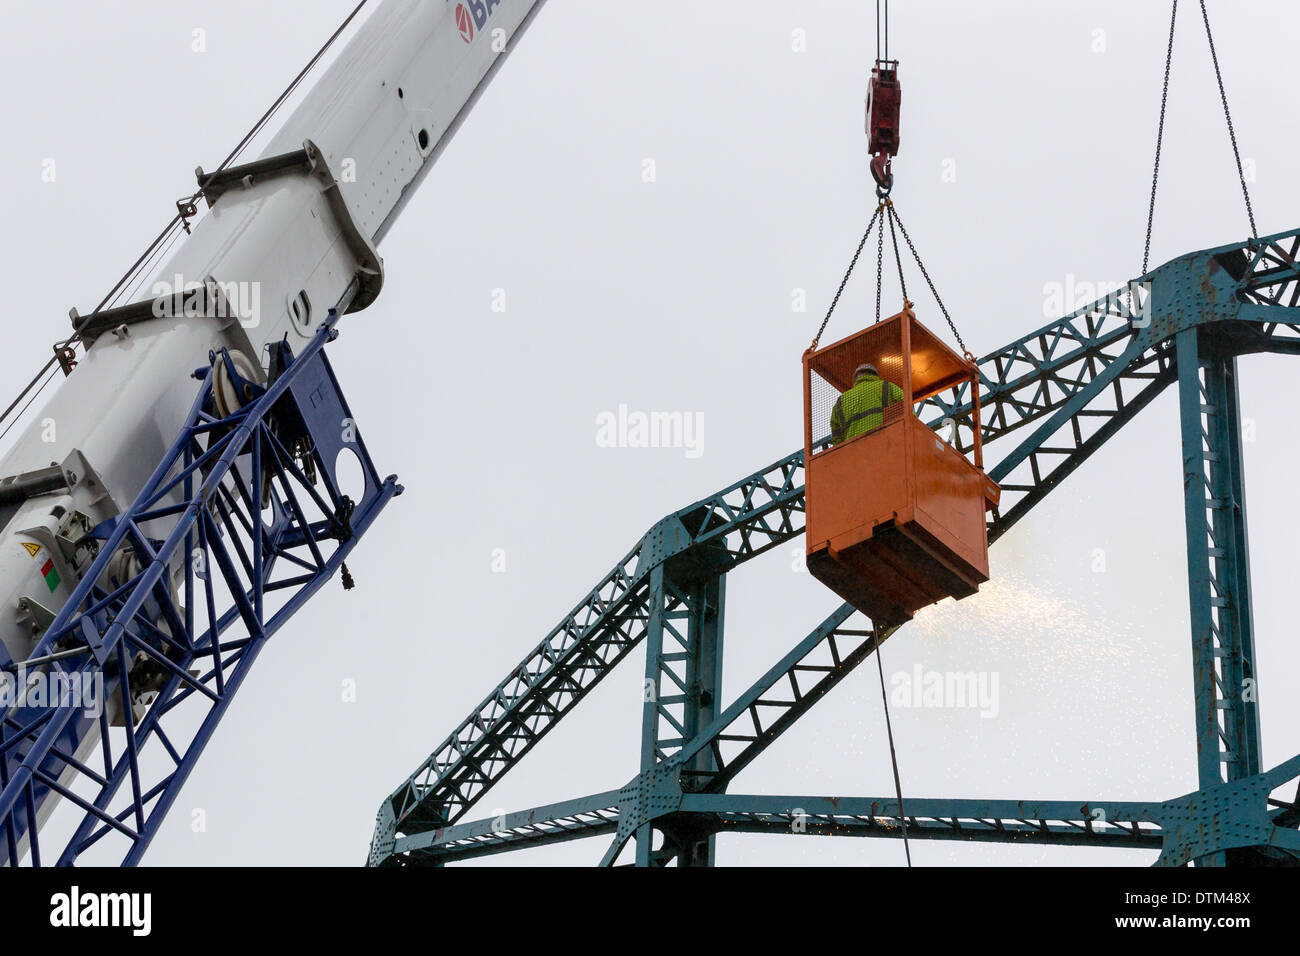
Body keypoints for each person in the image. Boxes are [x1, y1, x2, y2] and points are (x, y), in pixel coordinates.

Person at [830, 361, 905, 445]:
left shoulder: (842, 400)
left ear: (856, 378)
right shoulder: (886, 386)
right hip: (883, 442)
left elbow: (836, 435)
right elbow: (906, 403)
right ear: (875, 375)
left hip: (853, 450)